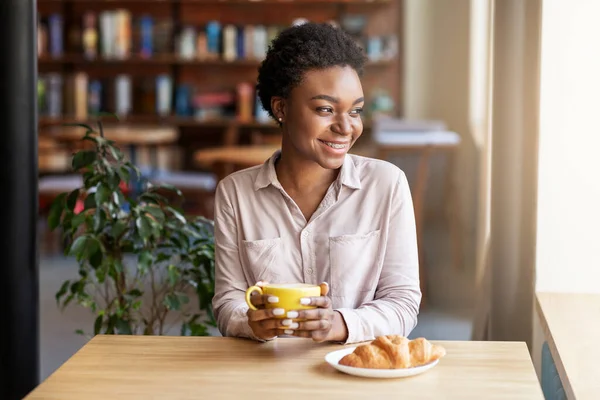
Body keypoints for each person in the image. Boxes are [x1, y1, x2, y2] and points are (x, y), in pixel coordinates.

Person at [211, 22, 421, 345]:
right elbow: (228, 302)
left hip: (355, 376)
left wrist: (338, 324)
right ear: (281, 108)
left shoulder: (387, 186)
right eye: (325, 109)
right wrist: (251, 321)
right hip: (268, 376)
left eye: (355, 111)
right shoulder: (235, 195)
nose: (345, 127)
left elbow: (403, 303)